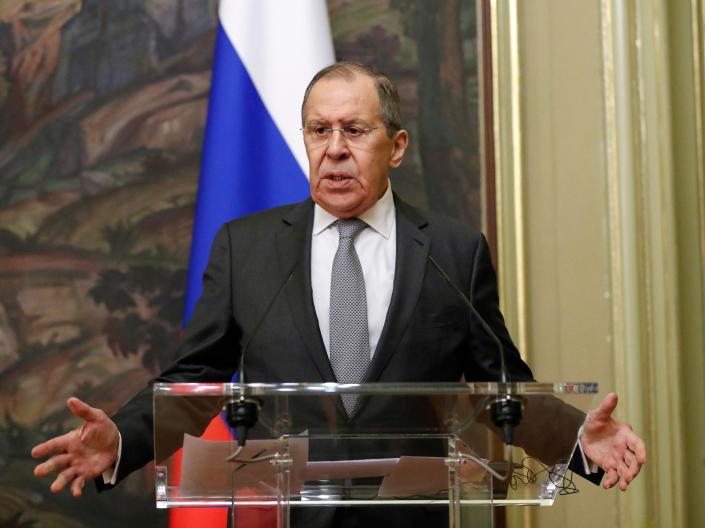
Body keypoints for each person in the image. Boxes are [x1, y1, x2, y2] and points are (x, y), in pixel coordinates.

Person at [32, 62, 645, 519]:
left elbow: (500, 389)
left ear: (396, 146)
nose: (334, 151)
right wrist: (122, 440)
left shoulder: (454, 252)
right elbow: (199, 378)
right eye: (318, 131)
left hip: (409, 519)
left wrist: (576, 440)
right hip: (283, 515)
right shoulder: (247, 249)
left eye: (354, 130)